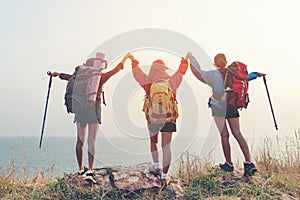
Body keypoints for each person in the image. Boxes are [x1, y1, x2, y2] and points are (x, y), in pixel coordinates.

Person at [51, 53, 131, 184]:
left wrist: (56, 74)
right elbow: (117, 69)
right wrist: (125, 59)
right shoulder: (99, 77)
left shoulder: (78, 76)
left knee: (80, 140)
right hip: (93, 109)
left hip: (80, 108)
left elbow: (66, 77)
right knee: (91, 140)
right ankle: (91, 170)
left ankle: (80, 169)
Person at [187, 52, 264, 176]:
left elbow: (199, 73)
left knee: (224, 135)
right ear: (226, 62)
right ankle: (249, 163)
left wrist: (192, 58)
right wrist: (257, 74)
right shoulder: (234, 75)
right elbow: (247, 77)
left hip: (218, 107)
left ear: (214, 63)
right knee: (238, 133)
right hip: (232, 106)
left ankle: (228, 164)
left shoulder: (212, 75)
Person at [130, 54, 188, 185]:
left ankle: (156, 167)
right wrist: (184, 62)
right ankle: (164, 176)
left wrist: (134, 63)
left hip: (153, 117)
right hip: (169, 116)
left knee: (153, 141)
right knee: (166, 146)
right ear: (164, 69)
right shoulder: (172, 81)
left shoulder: (148, 81)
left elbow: (137, 74)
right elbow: (181, 71)